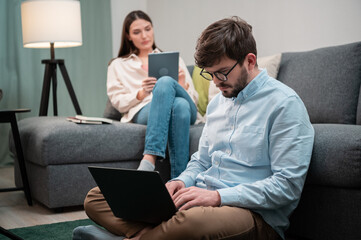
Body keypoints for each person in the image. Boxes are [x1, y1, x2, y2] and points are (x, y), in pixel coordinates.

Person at [73, 16, 314, 240]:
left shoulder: (284, 104)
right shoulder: (218, 102)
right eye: (210, 75)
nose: (217, 83)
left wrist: (218, 197)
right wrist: (182, 181)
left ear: (250, 61)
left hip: (251, 214)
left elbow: (287, 187)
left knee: (192, 221)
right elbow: (201, 161)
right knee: (97, 197)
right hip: (200, 200)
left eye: (222, 73)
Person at [106, 10, 199, 178]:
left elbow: (194, 100)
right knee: (180, 106)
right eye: (137, 32)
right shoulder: (118, 65)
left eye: (148, 29)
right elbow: (117, 101)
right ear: (128, 36)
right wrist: (141, 93)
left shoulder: (174, 59)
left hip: (186, 106)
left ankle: (149, 159)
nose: (144, 35)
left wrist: (181, 84)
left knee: (167, 84)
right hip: (144, 110)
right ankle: (181, 180)